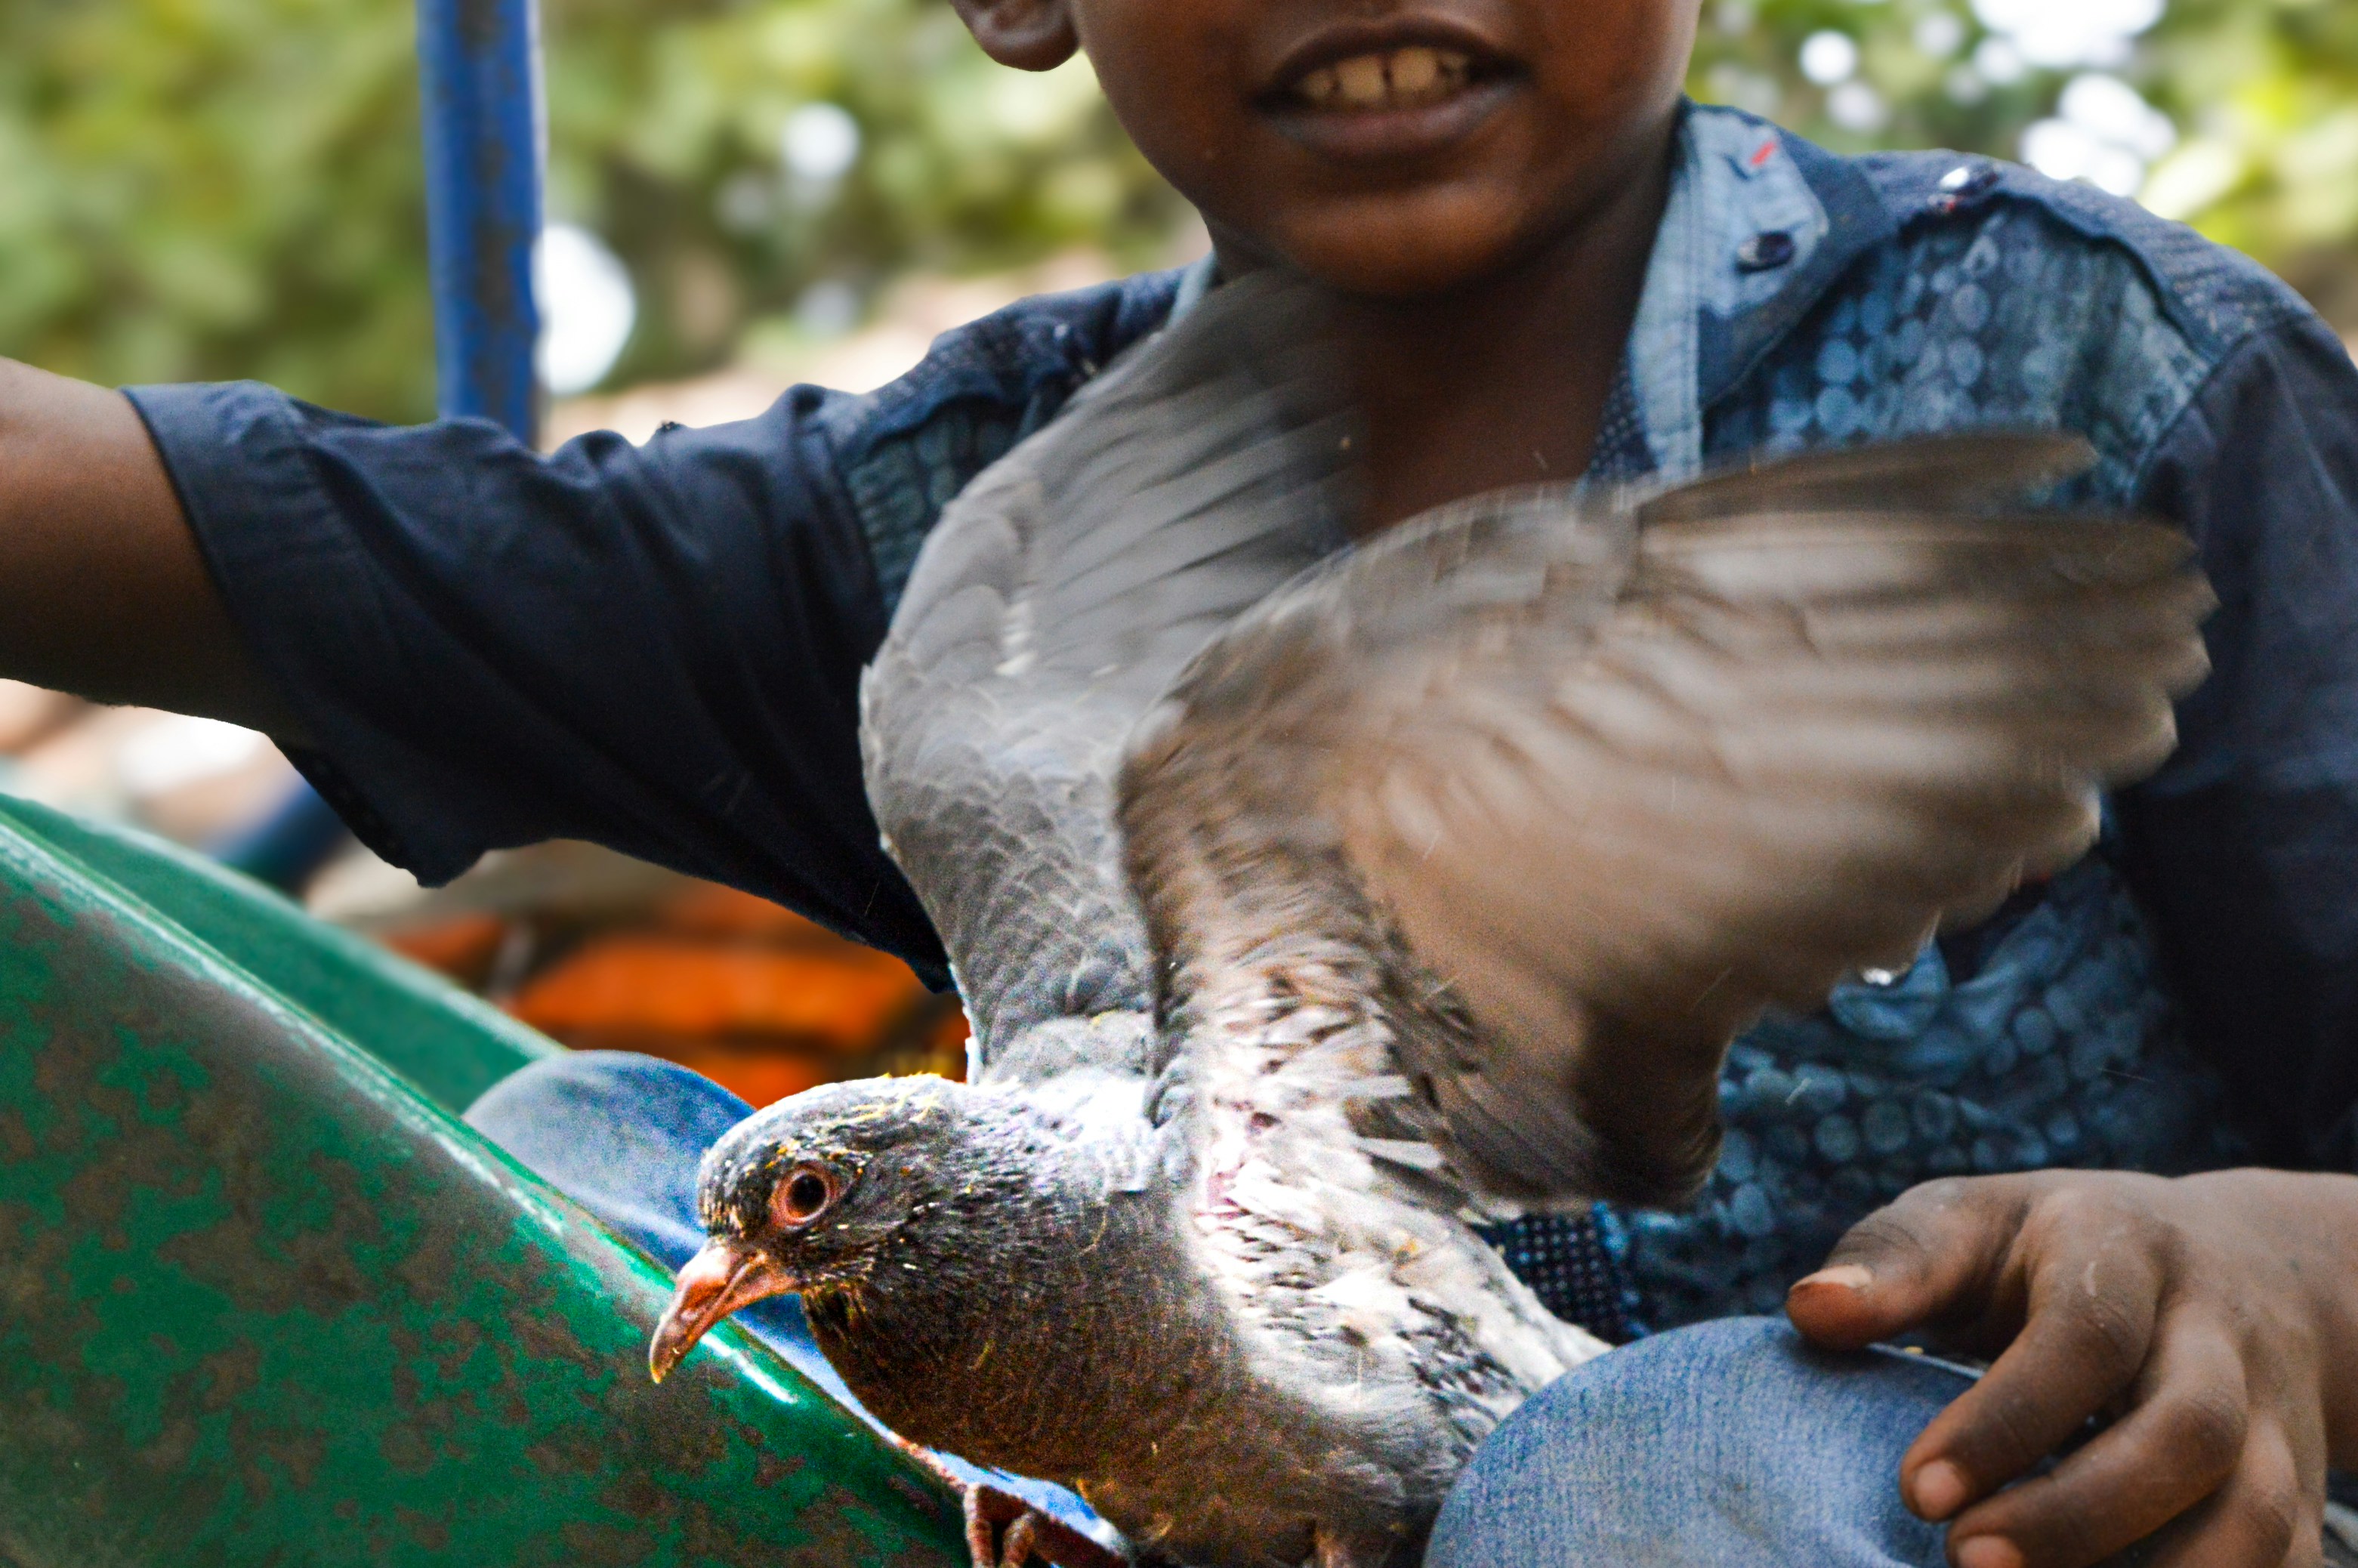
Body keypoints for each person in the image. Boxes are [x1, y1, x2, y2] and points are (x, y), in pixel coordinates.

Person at [2, 0, 2355, 1561]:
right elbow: (200, 516)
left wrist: (2285, 1275)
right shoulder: (946, 542)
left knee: (1643, 1465)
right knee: (533, 1189)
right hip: (1277, 1431)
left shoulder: (2105, 374)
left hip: (1908, 1495)